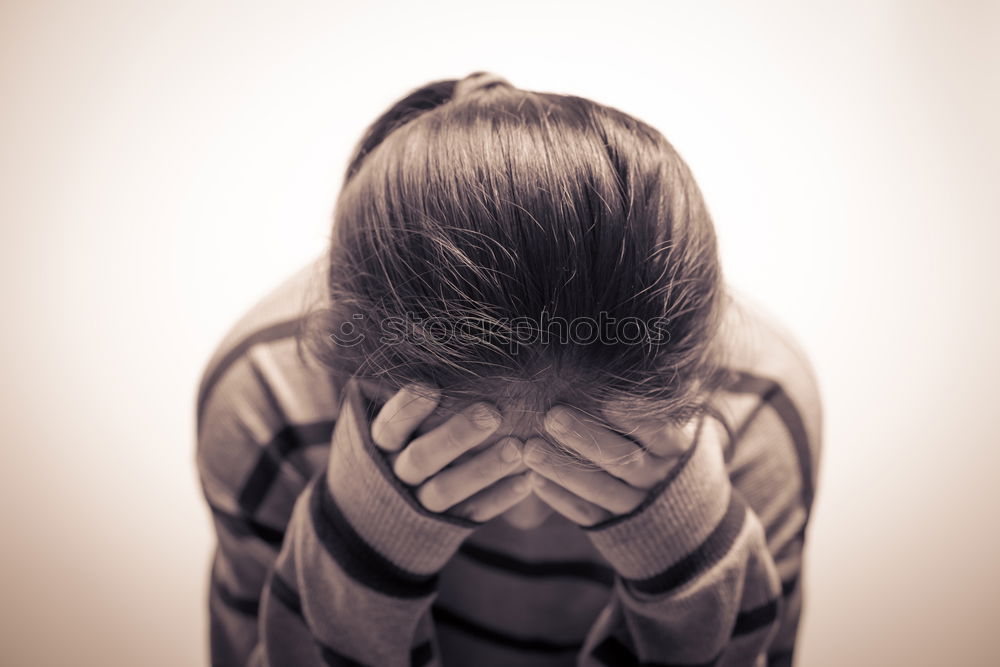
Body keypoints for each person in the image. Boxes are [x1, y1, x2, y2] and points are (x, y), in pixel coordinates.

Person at [196, 71, 823, 667]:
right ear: (358, 372)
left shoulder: (757, 402)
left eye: (590, 456)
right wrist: (356, 562)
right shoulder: (266, 392)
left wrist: (689, 570)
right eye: (455, 454)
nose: (523, 511)